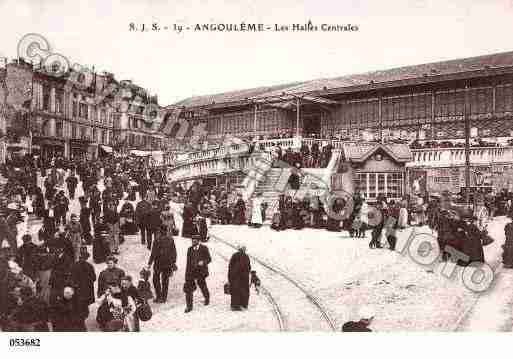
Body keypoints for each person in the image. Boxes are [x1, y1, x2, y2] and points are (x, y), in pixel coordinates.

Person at [147, 226, 177, 303]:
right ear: (166, 231)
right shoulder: (171, 240)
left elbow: (153, 253)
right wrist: (173, 263)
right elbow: (174, 253)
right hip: (167, 263)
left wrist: (149, 263)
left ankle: (159, 296)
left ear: (160, 231)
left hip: (158, 263)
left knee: (155, 279)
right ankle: (164, 297)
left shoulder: (157, 240)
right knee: (165, 280)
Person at [184, 235, 211, 313]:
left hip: (201, 272)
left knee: (202, 285)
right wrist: (187, 274)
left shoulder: (204, 248)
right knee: (189, 289)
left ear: (198, 241)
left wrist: (203, 262)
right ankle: (189, 306)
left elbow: (209, 259)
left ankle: (207, 298)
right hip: (191, 271)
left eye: (195, 240)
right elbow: (188, 262)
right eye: (192, 240)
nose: (193, 242)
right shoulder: (189, 249)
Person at [70, 248, 96, 317]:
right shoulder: (90, 266)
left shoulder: (74, 265)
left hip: (77, 288)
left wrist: (74, 284)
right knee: (85, 301)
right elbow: (94, 278)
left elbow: (71, 277)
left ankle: (79, 312)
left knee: (78, 301)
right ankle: (84, 312)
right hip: (86, 289)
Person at [228, 245, 251, 311]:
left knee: (241, 291)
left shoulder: (245, 256)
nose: (242, 250)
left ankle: (241, 305)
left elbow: (248, 267)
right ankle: (237, 305)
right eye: (241, 249)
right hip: (237, 277)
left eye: (243, 249)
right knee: (237, 291)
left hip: (241, 277)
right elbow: (231, 266)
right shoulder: (237, 256)